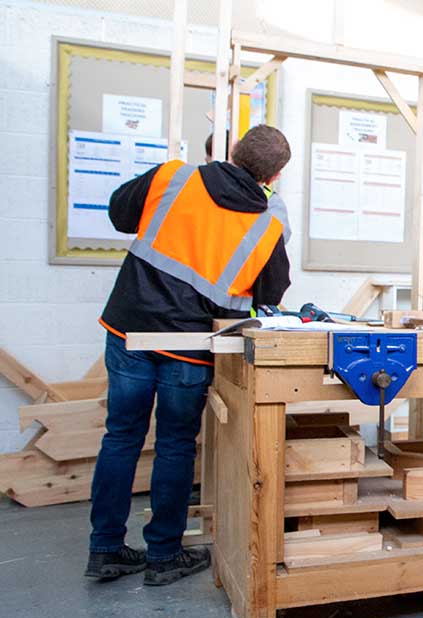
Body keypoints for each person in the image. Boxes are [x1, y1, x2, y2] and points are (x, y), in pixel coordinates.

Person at [86, 125, 292, 586]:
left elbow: (120, 212)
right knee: (176, 445)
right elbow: (273, 291)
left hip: (129, 329)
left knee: (120, 436)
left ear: (232, 151)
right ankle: (163, 556)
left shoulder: (174, 177)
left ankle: (104, 550)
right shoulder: (266, 223)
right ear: (274, 177)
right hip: (189, 347)